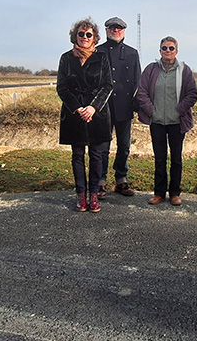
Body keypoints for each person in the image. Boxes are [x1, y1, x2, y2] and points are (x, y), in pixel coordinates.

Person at [57, 18, 114, 213]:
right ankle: (81, 195)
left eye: (88, 34)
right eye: (81, 34)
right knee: (77, 155)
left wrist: (93, 108)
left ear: (94, 38)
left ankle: (94, 195)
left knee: (97, 155)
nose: (84, 37)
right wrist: (77, 108)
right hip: (74, 113)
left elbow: (107, 86)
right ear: (75, 36)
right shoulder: (66, 58)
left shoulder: (102, 58)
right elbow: (62, 87)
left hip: (96, 113)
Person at [136, 36, 197, 206]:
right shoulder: (151, 69)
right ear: (160, 51)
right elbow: (142, 92)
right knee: (159, 159)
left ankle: (175, 193)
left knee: (176, 159)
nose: (168, 51)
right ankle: (159, 193)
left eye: (171, 48)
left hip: (177, 123)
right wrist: (151, 111)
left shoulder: (184, 70)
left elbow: (192, 94)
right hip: (157, 122)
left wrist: (179, 111)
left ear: (176, 51)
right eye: (164, 48)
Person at [97, 16, 141, 197]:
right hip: (103, 107)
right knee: (102, 147)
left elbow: (138, 81)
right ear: (106, 30)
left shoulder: (132, 53)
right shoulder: (97, 52)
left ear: (124, 31)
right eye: (112, 28)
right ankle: (100, 181)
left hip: (124, 106)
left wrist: (137, 104)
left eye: (119, 28)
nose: (115, 31)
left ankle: (121, 180)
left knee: (124, 146)